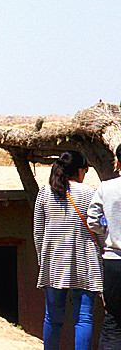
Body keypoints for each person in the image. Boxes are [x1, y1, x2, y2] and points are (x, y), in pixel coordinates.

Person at [34, 150, 101, 350]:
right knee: (84, 319)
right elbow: (98, 228)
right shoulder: (89, 193)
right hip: (85, 261)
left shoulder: (45, 192)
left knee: (53, 318)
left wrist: (42, 259)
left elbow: (38, 230)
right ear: (80, 171)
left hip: (54, 262)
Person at [88, 143, 121, 348]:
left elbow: (93, 220)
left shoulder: (106, 188)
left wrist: (106, 235)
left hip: (114, 263)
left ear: (117, 162)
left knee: (113, 321)